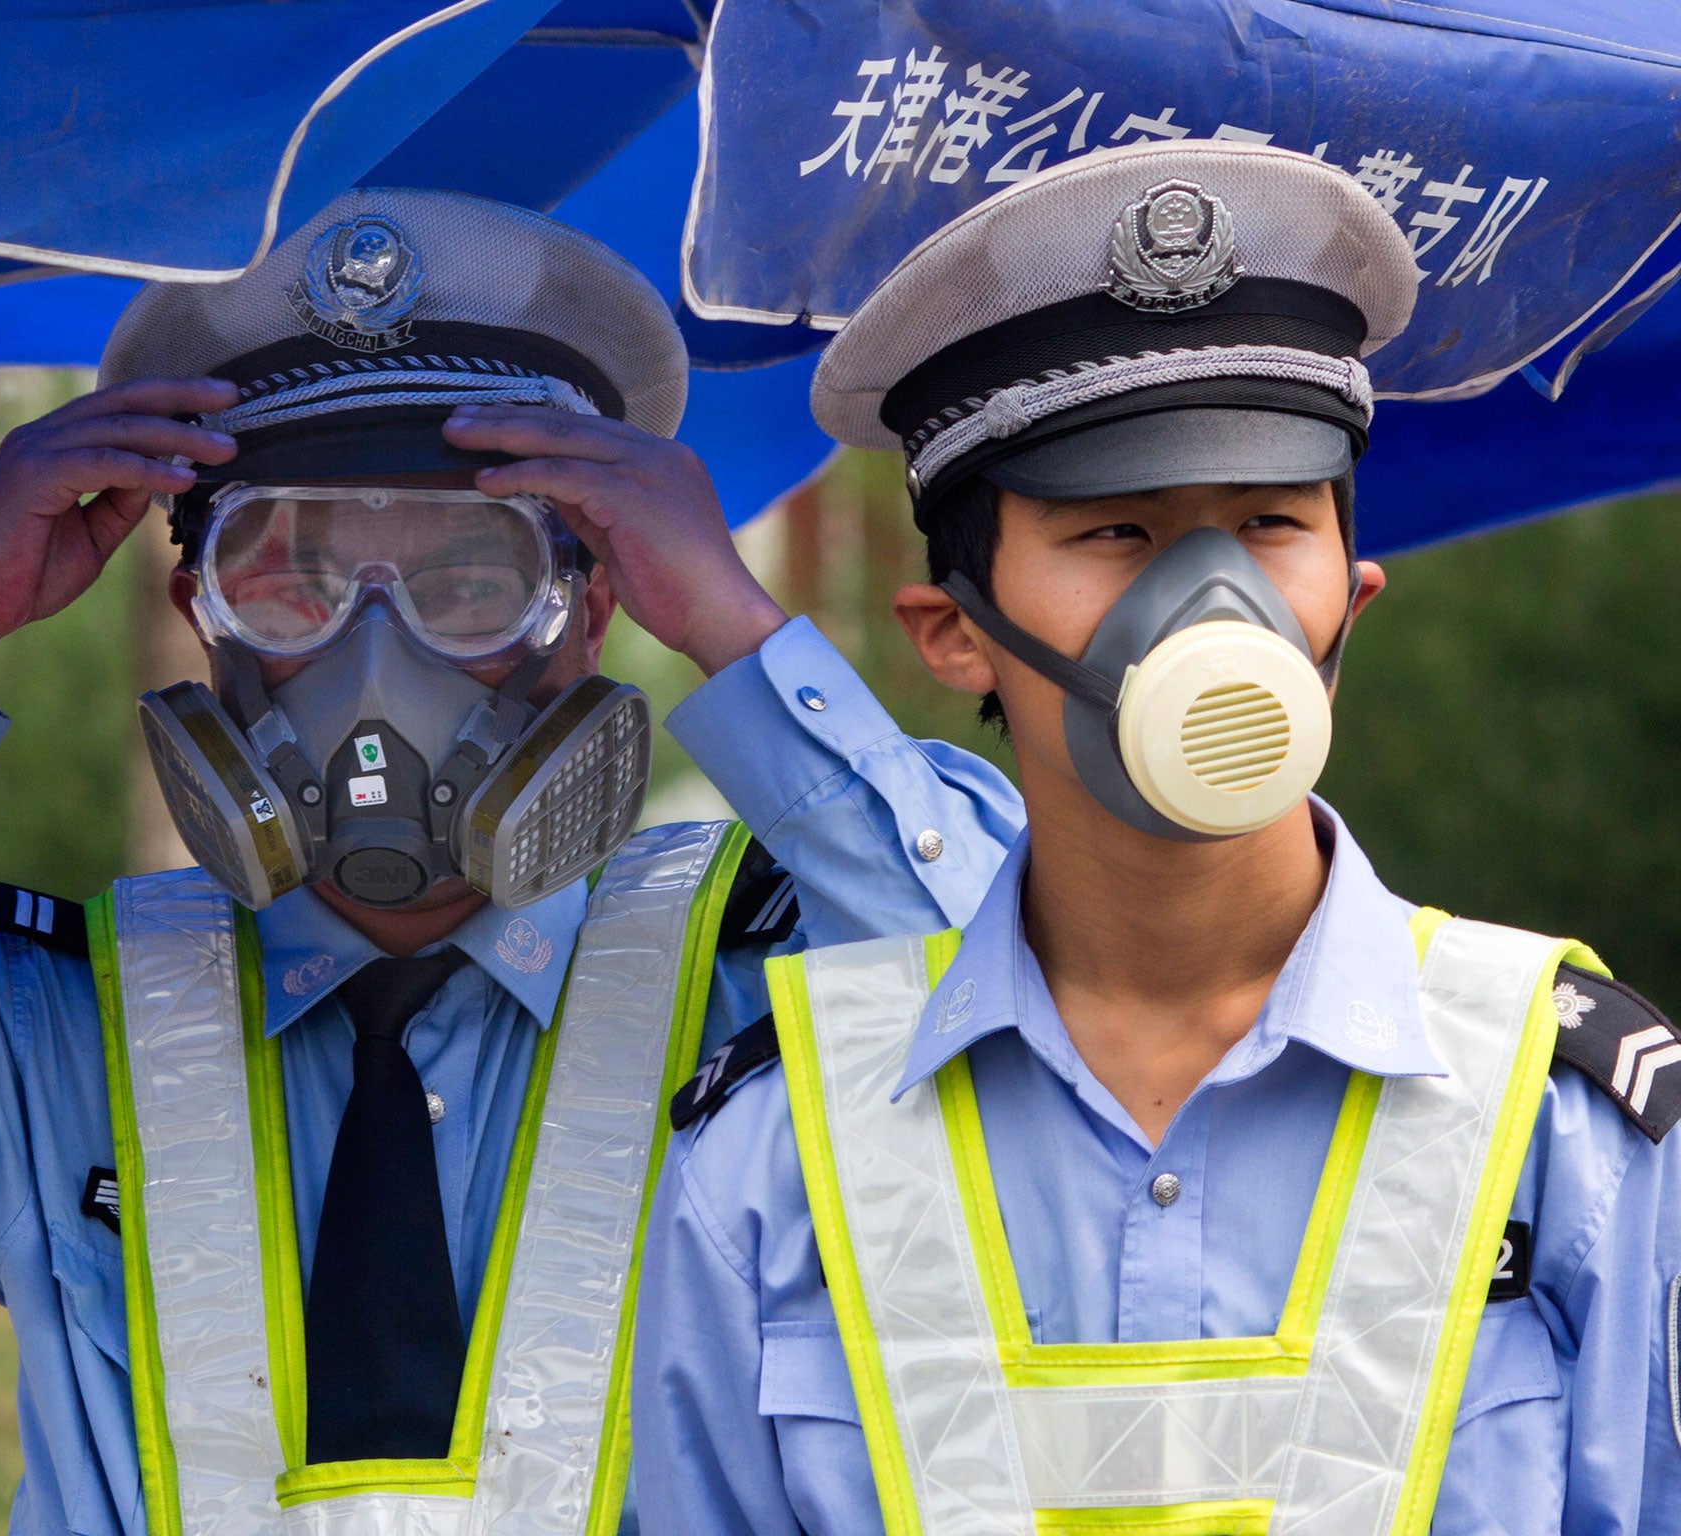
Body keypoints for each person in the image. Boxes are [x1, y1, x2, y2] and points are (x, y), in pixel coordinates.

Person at [0, 189, 1025, 1536]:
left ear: (593, 606)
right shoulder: (54, 1036)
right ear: (201, 614)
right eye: (290, 578)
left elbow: (1050, 1011)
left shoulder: (767, 994)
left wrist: (740, 633)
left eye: (469, 581)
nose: (377, 662)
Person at [634, 141, 1681, 1535]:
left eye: (1267, 524)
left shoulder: (1570, 1125)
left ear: (1351, 602)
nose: (1212, 608)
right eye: (1119, 533)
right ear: (957, 637)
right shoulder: (773, 1151)